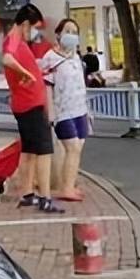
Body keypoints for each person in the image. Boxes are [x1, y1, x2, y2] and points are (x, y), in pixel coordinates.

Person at [0, 3, 64, 214]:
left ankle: (27, 193)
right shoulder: (14, 40)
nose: (35, 33)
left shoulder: (17, 41)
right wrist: (25, 74)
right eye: (34, 27)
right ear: (25, 24)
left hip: (26, 104)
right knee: (44, 151)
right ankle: (45, 197)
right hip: (30, 105)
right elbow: (7, 59)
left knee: (29, 151)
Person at [39, 18, 92, 202]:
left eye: (74, 32)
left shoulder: (76, 57)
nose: (71, 36)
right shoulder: (50, 58)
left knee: (78, 149)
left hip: (80, 109)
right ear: (59, 34)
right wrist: (50, 112)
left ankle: (68, 184)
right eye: (67, 31)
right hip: (63, 112)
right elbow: (46, 86)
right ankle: (66, 188)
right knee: (73, 147)